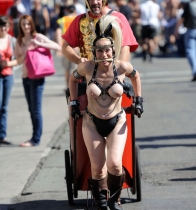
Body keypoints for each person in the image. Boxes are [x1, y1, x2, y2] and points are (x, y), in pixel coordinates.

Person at [69, 15, 143, 210]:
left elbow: (136, 77)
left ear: (113, 50)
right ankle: (101, 203)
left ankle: (114, 200)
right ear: (95, 52)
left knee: (115, 165)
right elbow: (72, 79)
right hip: (91, 122)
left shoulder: (121, 67)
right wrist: (74, 102)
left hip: (116, 121)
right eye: (99, 51)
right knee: (97, 168)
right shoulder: (86, 67)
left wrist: (138, 100)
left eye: (106, 50)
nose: (103, 54)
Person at [15, 15, 60, 147]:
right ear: (21, 26)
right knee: (31, 108)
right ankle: (34, 136)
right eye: (24, 24)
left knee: (36, 110)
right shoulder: (20, 41)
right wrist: (24, 53)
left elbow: (56, 46)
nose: (26, 27)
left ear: (32, 25)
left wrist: (39, 44)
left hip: (38, 78)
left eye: (28, 24)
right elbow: (18, 58)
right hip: (25, 78)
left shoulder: (37, 37)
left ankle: (35, 139)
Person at [62, 0, 139, 63]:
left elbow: (125, 47)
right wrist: (78, 60)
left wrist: (119, 72)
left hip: (112, 76)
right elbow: (65, 46)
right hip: (87, 76)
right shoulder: (79, 20)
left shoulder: (118, 18)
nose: (95, 2)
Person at [0, 16, 24, 145]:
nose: (3, 29)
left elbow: (20, 59)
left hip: (8, 75)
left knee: (4, 107)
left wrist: (8, 64)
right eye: (1, 26)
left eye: (5, 26)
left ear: (8, 27)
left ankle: (2, 135)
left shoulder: (12, 40)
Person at [175, 0, 196, 82]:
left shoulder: (188, 5)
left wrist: (176, 29)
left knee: (190, 51)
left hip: (191, 30)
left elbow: (182, 18)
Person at [57, 5, 79, 89]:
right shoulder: (78, 19)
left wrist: (60, 47)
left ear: (67, 10)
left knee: (66, 69)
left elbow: (58, 33)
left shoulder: (62, 20)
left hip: (65, 46)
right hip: (76, 47)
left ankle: (67, 86)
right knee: (75, 68)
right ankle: (75, 87)